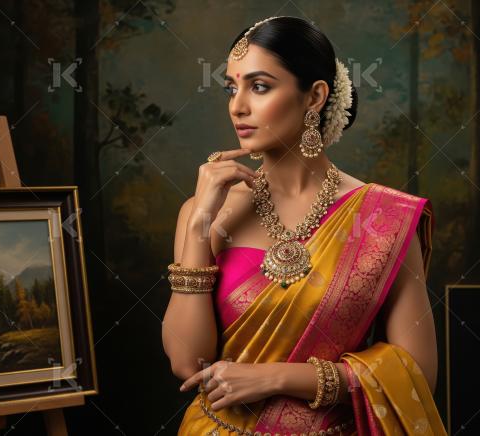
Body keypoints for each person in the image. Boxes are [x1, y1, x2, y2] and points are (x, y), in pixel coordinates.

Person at [162, 16, 446, 435]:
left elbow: (416, 376)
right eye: (231, 87)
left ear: (314, 96)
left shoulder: (383, 217)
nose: (237, 105)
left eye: (259, 87)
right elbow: (188, 363)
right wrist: (199, 227)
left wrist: (277, 377)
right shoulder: (205, 212)